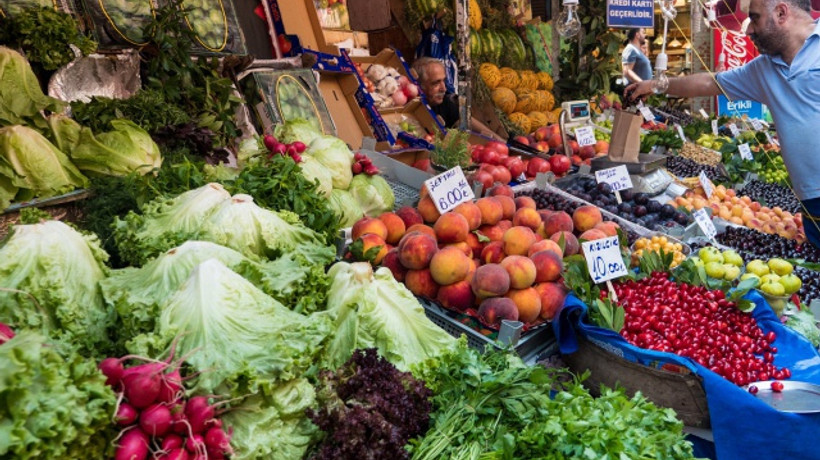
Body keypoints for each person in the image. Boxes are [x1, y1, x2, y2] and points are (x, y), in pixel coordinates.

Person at [625, 0, 820, 247]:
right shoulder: (764, 69)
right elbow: (710, 83)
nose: (748, 30)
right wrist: (655, 85)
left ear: (781, 13)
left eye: (755, 18)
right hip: (810, 201)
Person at [412, 57, 502, 139]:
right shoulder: (412, 109)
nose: (443, 88)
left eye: (443, 80)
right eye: (436, 83)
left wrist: (500, 141)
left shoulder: (445, 102)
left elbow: (466, 121)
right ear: (420, 85)